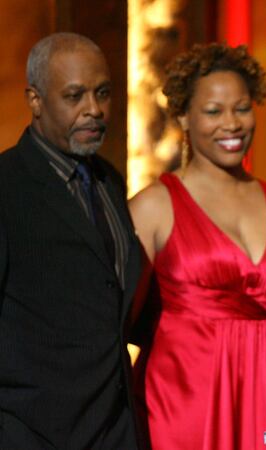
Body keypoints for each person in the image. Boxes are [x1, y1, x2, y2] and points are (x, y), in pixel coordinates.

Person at [129, 43, 266, 449]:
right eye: (213, 111)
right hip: (179, 416)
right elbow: (115, 326)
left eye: (241, 108)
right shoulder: (152, 207)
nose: (232, 124)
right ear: (183, 116)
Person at [0, 33, 144, 448]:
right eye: (75, 96)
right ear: (35, 100)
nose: (94, 110)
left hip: (114, 427)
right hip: (33, 432)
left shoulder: (109, 181)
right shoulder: (6, 187)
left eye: (102, 93)